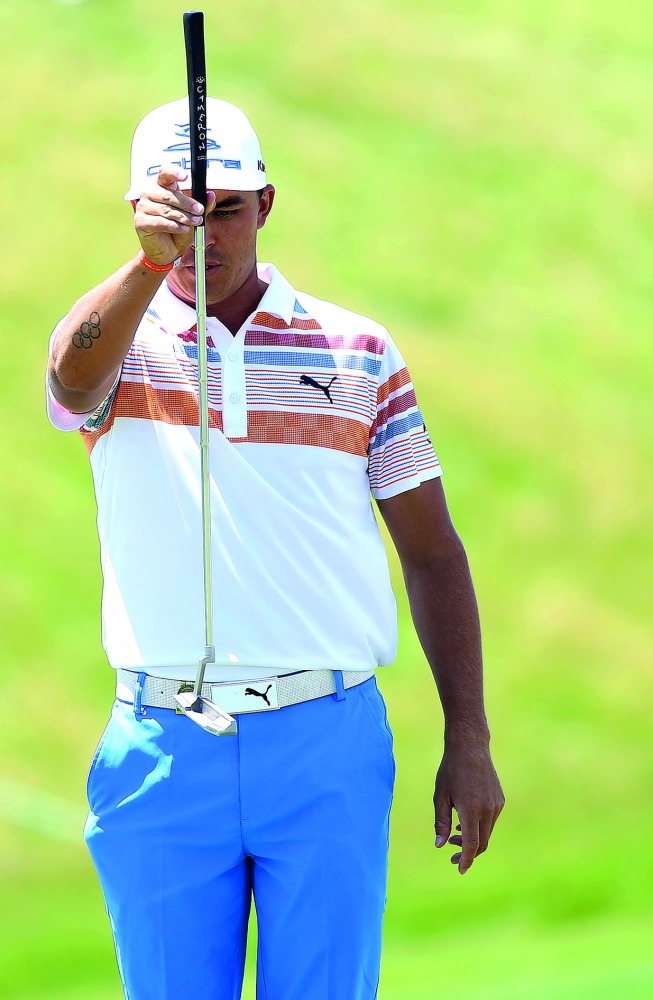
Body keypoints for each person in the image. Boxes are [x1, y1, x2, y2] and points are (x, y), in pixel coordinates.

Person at [46, 97, 504, 1000]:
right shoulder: (120, 346)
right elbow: (67, 380)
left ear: (264, 206)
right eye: (181, 211)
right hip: (163, 746)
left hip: (324, 740)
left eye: (226, 208)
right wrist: (149, 262)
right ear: (143, 213)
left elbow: (432, 553)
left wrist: (469, 736)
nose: (205, 234)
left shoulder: (358, 351)